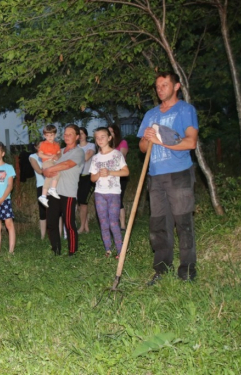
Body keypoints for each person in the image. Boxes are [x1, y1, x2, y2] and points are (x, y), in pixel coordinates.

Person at [138, 71, 199, 285]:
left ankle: (187, 271)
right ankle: (162, 270)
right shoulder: (150, 114)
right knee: (159, 225)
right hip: (155, 176)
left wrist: (160, 139)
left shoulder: (185, 110)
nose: (160, 88)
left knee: (183, 222)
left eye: (164, 84)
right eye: (157, 86)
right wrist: (147, 139)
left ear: (176, 86)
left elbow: (191, 142)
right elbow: (143, 148)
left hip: (179, 173)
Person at [43, 124, 84, 256]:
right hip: (53, 192)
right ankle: (56, 250)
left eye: (70, 134)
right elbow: (46, 163)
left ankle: (72, 252)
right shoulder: (59, 151)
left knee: (69, 224)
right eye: (65, 134)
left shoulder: (78, 152)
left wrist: (50, 169)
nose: (66, 136)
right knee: (51, 222)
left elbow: (67, 165)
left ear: (77, 136)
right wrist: (45, 169)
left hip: (69, 193)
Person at [90, 127, 130, 258]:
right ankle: (108, 249)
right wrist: (99, 174)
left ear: (109, 138)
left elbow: (126, 172)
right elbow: (92, 178)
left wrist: (110, 172)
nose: (100, 139)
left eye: (103, 136)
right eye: (97, 137)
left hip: (113, 193)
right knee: (103, 223)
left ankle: (120, 250)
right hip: (99, 193)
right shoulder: (95, 158)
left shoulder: (116, 154)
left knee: (113, 222)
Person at [108, 124, 129, 231]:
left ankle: (123, 225)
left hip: (121, 175)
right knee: (110, 200)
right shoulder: (106, 146)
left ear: (116, 132)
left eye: (111, 131)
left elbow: (121, 157)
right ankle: (113, 223)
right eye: (108, 132)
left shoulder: (122, 142)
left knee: (118, 199)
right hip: (109, 176)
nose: (109, 134)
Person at [37, 125, 62, 207]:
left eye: (51, 135)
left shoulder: (56, 144)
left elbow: (59, 153)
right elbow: (40, 154)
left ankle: (43, 196)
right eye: (47, 135)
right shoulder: (44, 144)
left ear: (55, 135)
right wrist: (49, 156)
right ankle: (52, 189)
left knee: (49, 178)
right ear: (44, 136)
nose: (49, 137)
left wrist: (56, 156)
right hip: (47, 162)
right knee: (57, 172)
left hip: (53, 162)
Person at [77, 127, 96, 234]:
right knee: (80, 202)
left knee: (83, 202)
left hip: (88, 176)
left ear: (86, 135)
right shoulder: (75, 147)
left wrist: (76, 158)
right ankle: (86, 226)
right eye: (79, 134)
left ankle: (82, 227)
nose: (81, 136)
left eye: (82, 133)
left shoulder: (91, 145)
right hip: (77, 177)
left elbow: (86, 157)